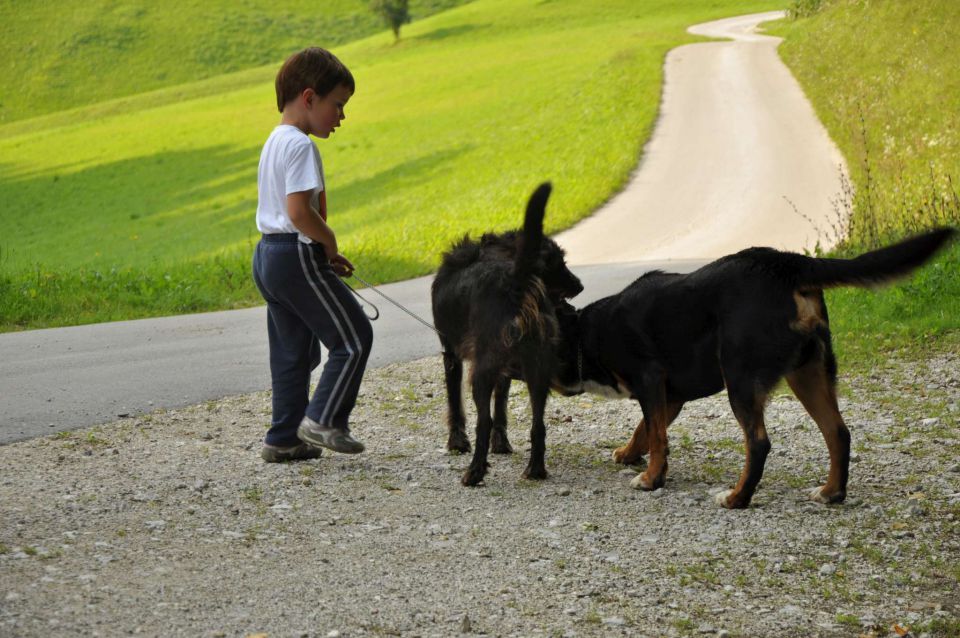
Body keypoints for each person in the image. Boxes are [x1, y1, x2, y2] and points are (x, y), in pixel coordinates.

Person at [252, 47, 373, 462]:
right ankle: (323, 419)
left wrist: (319, 248)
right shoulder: (301, 146)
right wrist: (329, 242)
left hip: (269, 256)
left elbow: (283, 214)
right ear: (308, 98)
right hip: (295, 255)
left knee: (294, 352)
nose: (341, 116)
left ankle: (284, 437)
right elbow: (300, 212)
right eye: (337, 105)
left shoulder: (274, 140)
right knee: (354, 338)